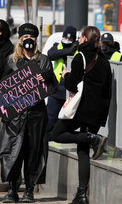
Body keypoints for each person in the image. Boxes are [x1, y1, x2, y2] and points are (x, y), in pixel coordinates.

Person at [51, 26, 112, 204]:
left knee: (57, 134)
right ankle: (81, 194)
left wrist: (66, 74)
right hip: (98, 111)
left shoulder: (80, 56)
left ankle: (91, 138)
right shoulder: (103, 59)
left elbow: (71, 85)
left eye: (81, 36)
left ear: (84, 39)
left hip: (82, 109)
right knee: (82, 147)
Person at [0, 23, 57, 203]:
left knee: (34, 152)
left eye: (31, 38)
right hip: (15, 116)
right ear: (20, 40)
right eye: (25, 37)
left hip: (36, 115)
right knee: (13, 153)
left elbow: (53, 86)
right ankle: (11, 190)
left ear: (36, 40)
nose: (28, 41)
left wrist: (45, 78)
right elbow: (2, 87)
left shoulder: (43, 60)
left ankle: (29, 190)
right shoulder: (11, 60)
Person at [47, 26, 79, 139]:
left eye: (69, 39)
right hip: (55, 91)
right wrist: (69, 50)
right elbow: (51, 55)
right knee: (50, 121)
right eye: (65, 37)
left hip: (70, 92)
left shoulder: (78, 50)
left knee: (66, 123)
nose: (66, 40)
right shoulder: (57, 46)